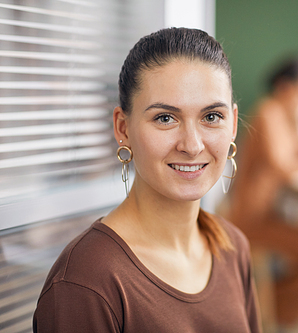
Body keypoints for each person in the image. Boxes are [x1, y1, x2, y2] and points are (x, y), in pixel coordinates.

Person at [33, 28, 261, 333]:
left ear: (232, 124)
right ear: (122, 128)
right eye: (166, 118)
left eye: (211, 117)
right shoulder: (86, 281)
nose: (192, 145)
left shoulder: (232, 247)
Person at [223, 57, 298, 332]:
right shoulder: (269, 113)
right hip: (251, 220)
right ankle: (277, 320)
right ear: (284, 87)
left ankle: (282, 317)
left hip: (274, 216)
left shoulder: (290, 119)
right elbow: (288, 170)